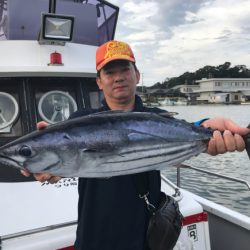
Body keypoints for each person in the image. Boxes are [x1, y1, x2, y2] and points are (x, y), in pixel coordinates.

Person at [22, 40, 249, 250]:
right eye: (110, 72)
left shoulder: (156, 117)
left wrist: (209, 128)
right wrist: (49, 166)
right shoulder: (81, 120)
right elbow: (69, 155)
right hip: (94, 237)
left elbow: (188, 127)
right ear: (99, 82)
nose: (118, 77)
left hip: (145, 237)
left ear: (137, 75)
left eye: (125, 70)